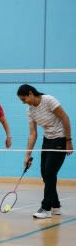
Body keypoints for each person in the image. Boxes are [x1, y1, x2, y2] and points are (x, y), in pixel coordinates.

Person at [17, 84, 73, 219]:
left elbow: (65, 118)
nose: (23, 102)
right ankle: (56, 206)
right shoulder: (30, 111)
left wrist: (68, 141)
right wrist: (27, 155)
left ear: (31, 94)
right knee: (45, 173)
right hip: (47, 140)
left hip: (60, 139)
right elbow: (32, 134)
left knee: (50, 172)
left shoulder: (49, 100)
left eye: (24, 99)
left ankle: (46, 208)